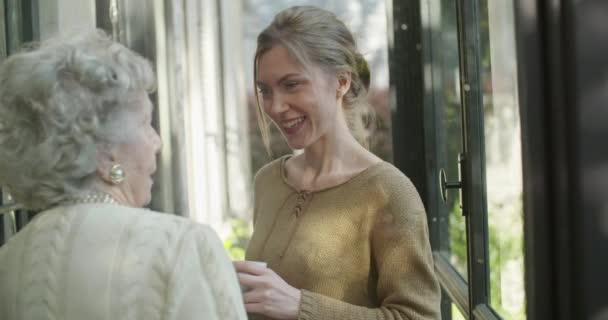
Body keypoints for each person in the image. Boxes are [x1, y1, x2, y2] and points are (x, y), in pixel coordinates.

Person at [0, 30, 246, 320]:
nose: (157, 142)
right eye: (145, 124)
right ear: (105, 155)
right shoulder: (182, 245)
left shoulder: (10, 259)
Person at [234, 6, 441, 320]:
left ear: (341, 82)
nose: (275, 107)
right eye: (265, 90)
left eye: (292, 85)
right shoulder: (268, 181)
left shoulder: (388, 192)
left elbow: (418, 317)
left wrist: (300, 306)